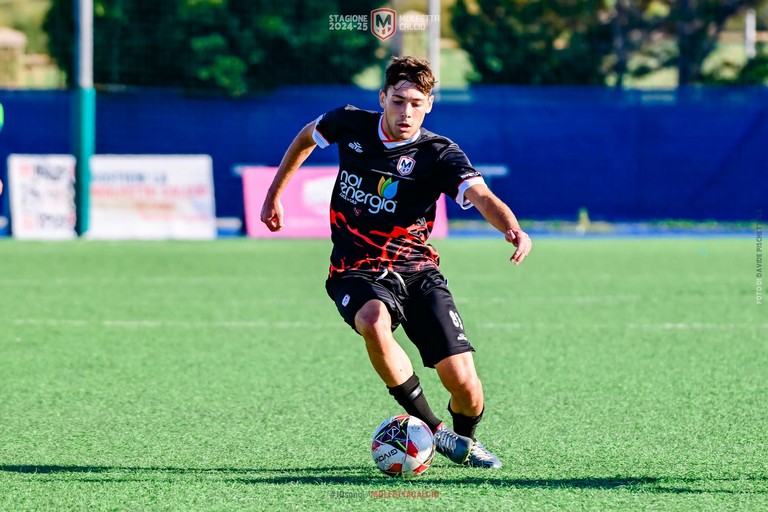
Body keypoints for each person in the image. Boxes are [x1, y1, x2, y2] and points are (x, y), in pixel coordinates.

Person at [260, 56, 532, 469]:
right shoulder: (348, 123)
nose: (406, 112)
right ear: (383, 97)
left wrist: (511, 227)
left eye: (417, 103)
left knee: (466, 387)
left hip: (418, 271)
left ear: (430, 105)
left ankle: (462, 442)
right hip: (356, 268)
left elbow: (480, 195)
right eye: (399, 101)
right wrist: (273, 194)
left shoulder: (439, 154)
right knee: (372, 321)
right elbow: (305, 138)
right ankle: (433, 429)